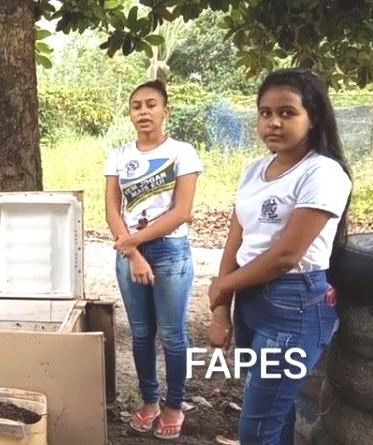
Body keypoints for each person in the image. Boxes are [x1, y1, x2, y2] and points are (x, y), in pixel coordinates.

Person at [208, 68, 352, 444]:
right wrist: (221, 306)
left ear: (313, 116)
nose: (273, 122)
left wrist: (223, 285)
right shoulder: (254, 170)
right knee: (275, 412)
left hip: (294, 304)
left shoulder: (323, 173)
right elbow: (236, 238)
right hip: (252, 301)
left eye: (287, 113)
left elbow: (286, 255)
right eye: (265, 112)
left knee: (256, 428)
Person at [104, 80, 203, 440]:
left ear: (165, 110)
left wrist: (137, 243)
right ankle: (149, 401)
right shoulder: (118, 155)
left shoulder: (183, 153)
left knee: (173, 334)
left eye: (150, 105)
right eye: (136, 106)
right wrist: (131, 252)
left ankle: (174, 404)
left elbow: (181, 211)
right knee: (142, 333)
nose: (143, 112)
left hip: (169, 252)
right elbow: (112, 209)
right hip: (128, 254)